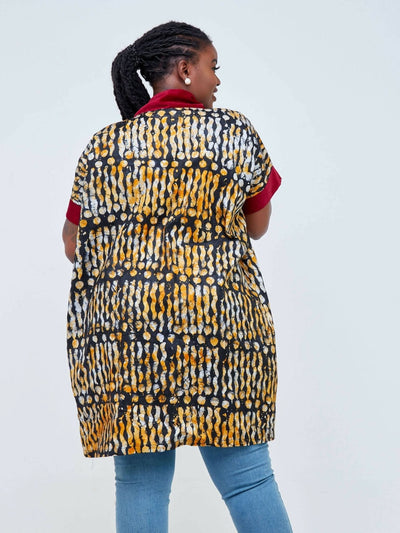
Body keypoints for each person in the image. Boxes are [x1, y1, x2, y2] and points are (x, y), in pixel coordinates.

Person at [63, 21, 293, 533]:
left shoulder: (104, 147)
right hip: (222, 330)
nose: (217, 79)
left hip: (130, 337)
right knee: (248, 478)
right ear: (186, 70)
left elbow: (74, 243)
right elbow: (257, 225)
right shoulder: (231, 132)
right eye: (213, 67)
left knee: (141, 484)